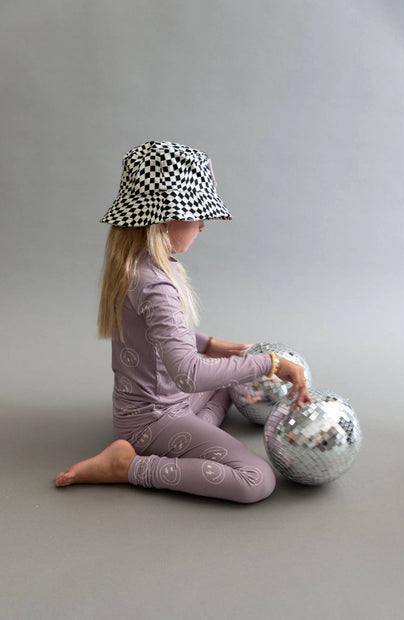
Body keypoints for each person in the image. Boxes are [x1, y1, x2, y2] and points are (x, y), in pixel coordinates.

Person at [54, 140, 312, 503]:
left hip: (149, 407)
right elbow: (189, 375)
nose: (203, 226)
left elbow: (155, 334)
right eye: (197, 214)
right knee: (256, 480)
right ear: (164, 218)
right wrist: (269, 364)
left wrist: (210, 344)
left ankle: (191, 434)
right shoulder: (156, 284)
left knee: (227, 385)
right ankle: (128, 466)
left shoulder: (139, 267)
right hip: (152, 420)